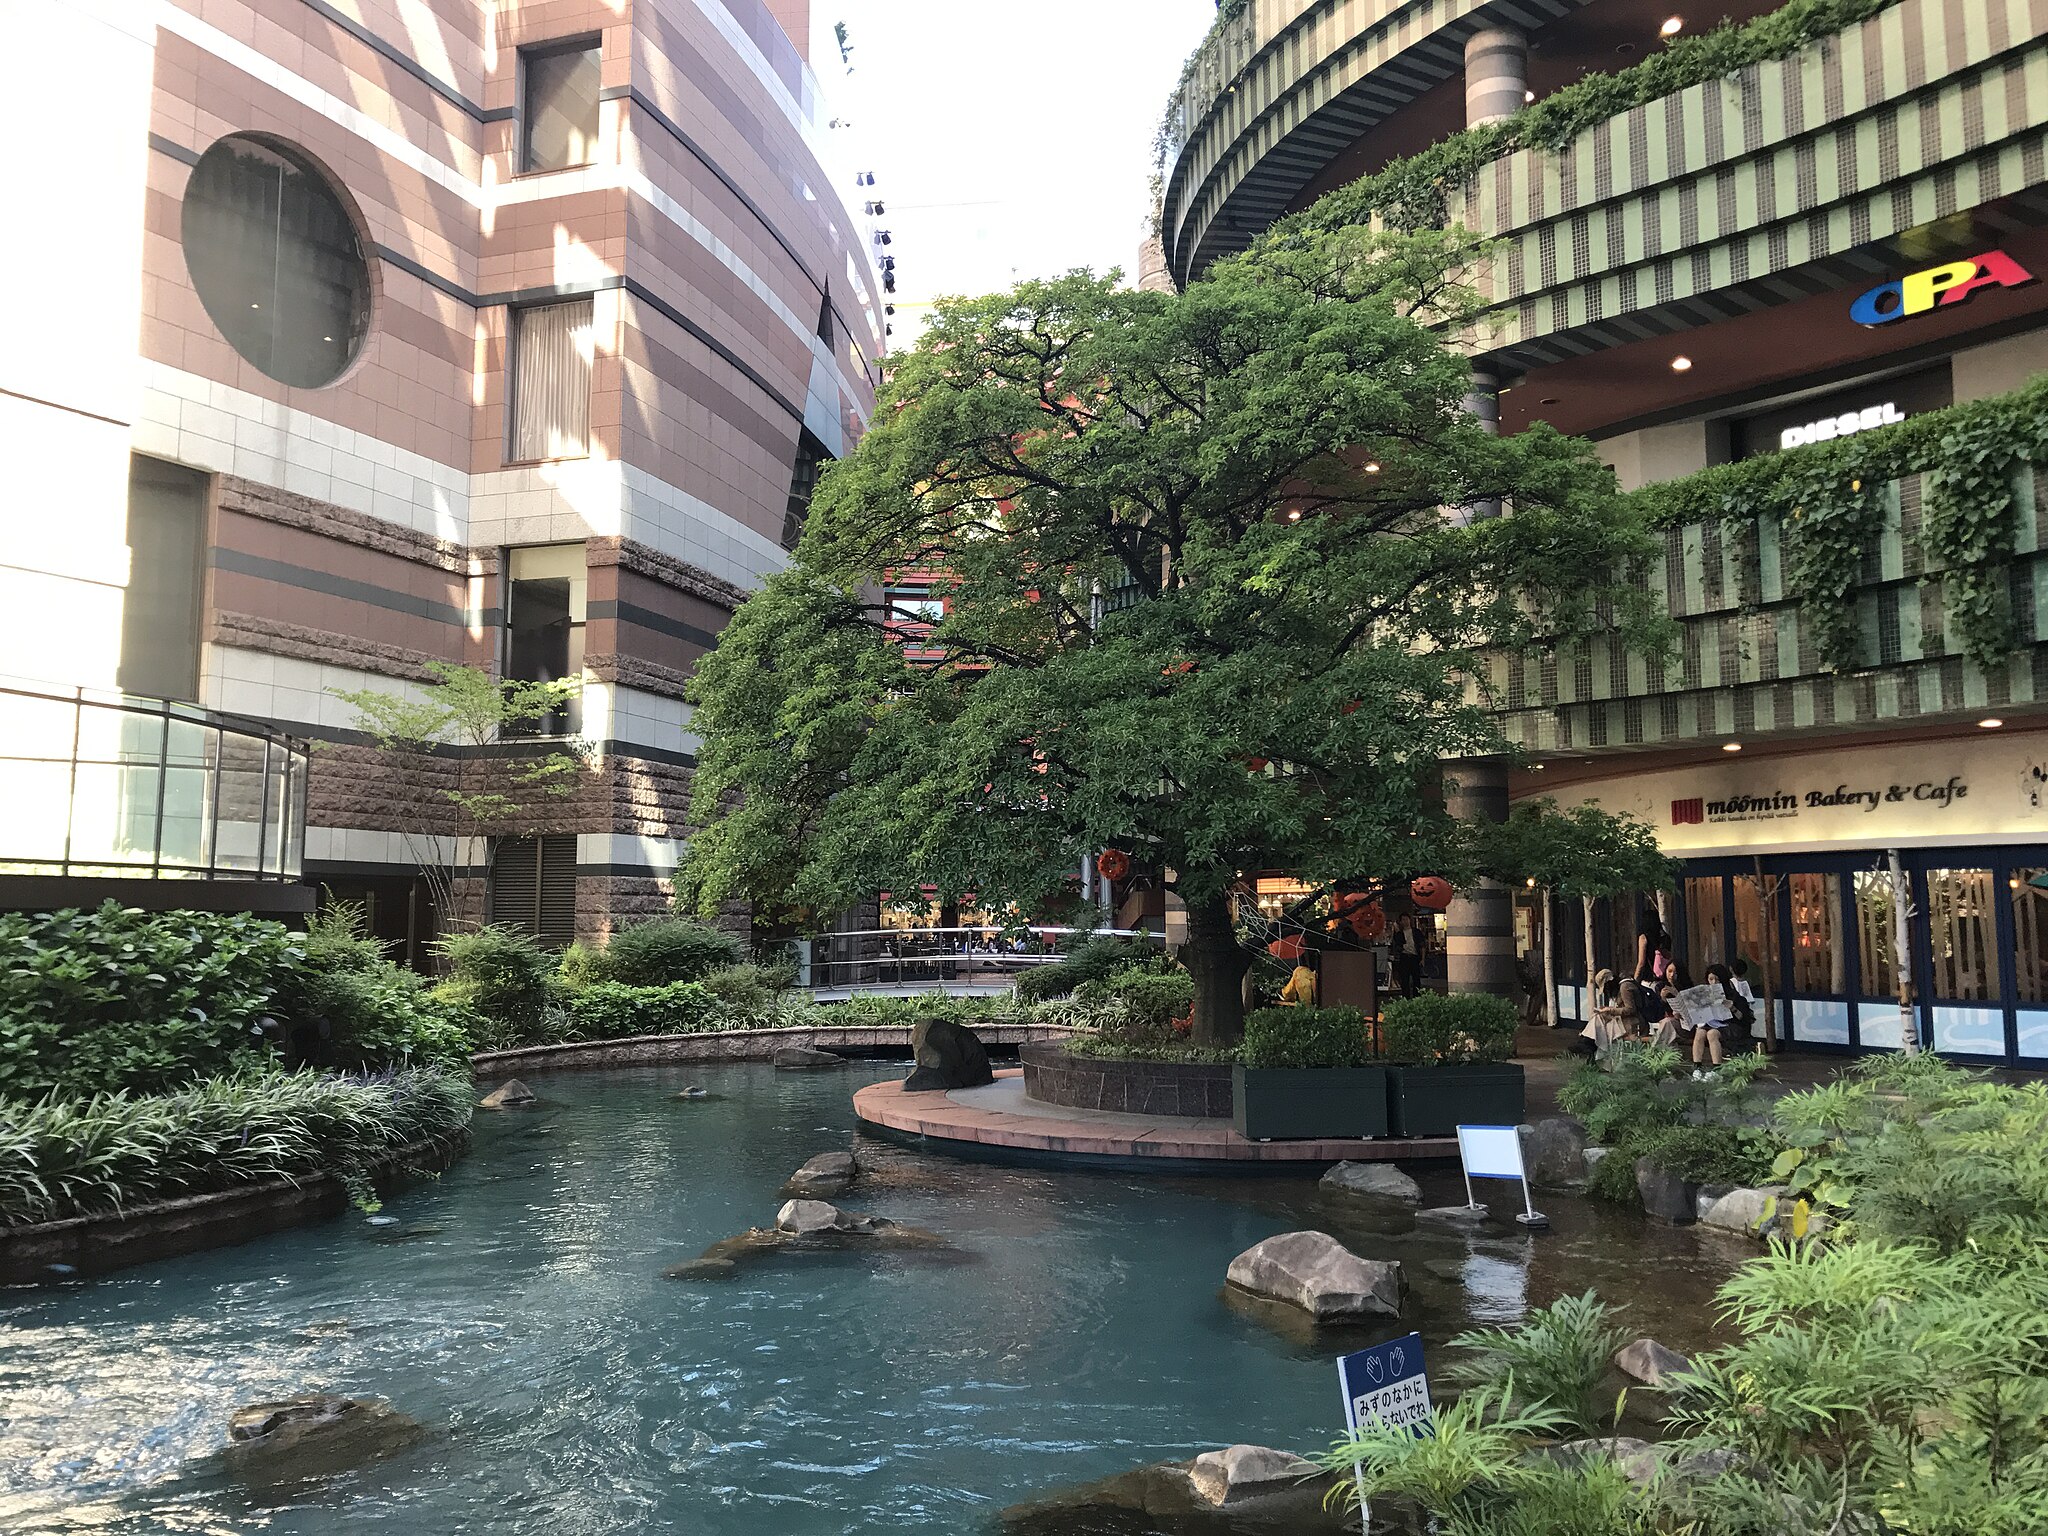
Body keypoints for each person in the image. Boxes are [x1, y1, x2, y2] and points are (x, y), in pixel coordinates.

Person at [1695, 963, 1750, 1067]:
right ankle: (1697, 1066)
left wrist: (1732, 1008)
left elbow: (1743, 1018)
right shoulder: (1706, 995)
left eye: (1717, 979)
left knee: (1712, 1034)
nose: (1714, 982)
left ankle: (1717, 1067)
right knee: (1700, 1032)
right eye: (1711, 979)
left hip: (1732, 1025)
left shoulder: (1733, 995)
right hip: (1713, 1024)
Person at [1633, 903, 1672, 984]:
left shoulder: (1644, 937)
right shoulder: (1665, 937)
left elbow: (1641, 962)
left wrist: (1635, 979)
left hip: (1649, 978)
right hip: (1664, 978)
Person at [1392, 914, 1424, 998]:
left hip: (1415, 957)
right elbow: (1397, 946)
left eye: (1406, 919)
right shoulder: (1399, 934)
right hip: (1405, 957)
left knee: (1416, 979)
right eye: (1403, 920)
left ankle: (1417, 996)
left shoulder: (1416, 932)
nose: (1405, 922)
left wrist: (1422, 959)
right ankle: (1406, 997)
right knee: (1404, 979)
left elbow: (1422, 946)